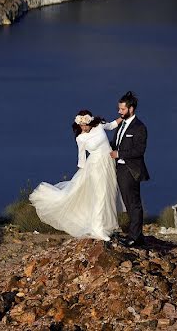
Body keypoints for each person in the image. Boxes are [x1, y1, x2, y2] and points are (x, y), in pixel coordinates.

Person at [29, 110, 121, 241]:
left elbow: (112, 125)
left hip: (109, 164)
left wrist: (124, 117)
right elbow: (81, 158)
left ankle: (106, 226)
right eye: (81, 125)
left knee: (108, 194)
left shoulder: (99, 125)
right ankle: (98, 229)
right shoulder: (80, 138)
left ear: (90, 121)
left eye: (85, 124)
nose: (84, 127)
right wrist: (80, 176)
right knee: (100, 195)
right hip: (95, 167)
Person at [103, 91, 150, 247]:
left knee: (133, 203)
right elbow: (116, 143)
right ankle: (136, 235)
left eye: (122, 109)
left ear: (131, 109)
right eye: (119, 109)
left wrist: (119, 154)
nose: (119, 112)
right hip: (121, 169)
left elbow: (139, 151)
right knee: (127, 203)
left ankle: (135, 237)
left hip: (131, 170)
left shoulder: (139, 127)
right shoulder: (122, 125)